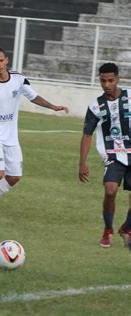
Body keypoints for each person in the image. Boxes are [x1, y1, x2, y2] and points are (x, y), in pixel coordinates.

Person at [0, 47, 68, 216]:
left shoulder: (19, 79)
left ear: (6, 60)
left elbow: (33, 96)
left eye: (1, 60)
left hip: (11, 138)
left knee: (14, 177)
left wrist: (52, 106)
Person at [78, 62, 131, 249]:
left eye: (110, 80)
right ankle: (108, 230)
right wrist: (82, 163)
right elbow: (87, 134)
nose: (106, 85)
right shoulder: (95, 106)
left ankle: (127, 227)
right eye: (103, 81)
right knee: (110, 191)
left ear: (118, 79)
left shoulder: (130, 97)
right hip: (112, 155)